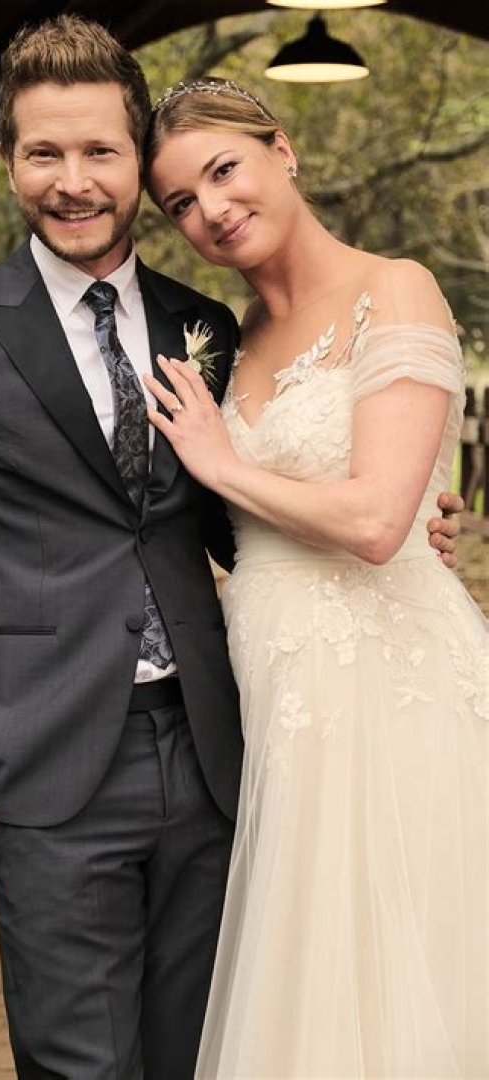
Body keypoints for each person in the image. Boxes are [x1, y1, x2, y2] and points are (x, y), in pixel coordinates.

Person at [0, 15, 462, 1077]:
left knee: (208, 1050)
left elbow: (235, 518)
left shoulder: (205, 324)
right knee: (80, 1061)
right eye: (44, 153)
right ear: (8, 162)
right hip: (43, 758)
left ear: (135, 161)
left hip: (227, 747)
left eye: (100, 151)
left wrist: (410, 519)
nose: (73, 181)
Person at [142, 77, 487, 1078]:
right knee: (309, 981)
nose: (212, 209)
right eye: (181, 202)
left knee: (407, 973)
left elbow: (378, 522)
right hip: (276, 692)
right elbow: (242, 525)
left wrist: (223, 464)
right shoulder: (228, 338)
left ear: (282, 150)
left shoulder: (398, 288)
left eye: (224, 170)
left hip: (392, 684)